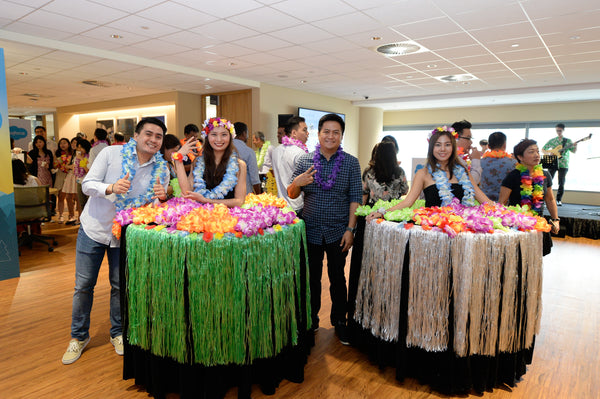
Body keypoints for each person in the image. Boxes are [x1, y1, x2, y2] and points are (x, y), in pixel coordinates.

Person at [62, 117, 169, 365]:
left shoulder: (161, 168)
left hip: (124, 233)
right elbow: (87, 184)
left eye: (159, 136)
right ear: (137, 135)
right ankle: (78, 337)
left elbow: (151, 205)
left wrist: (161, 199)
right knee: (83, 286)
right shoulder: (111, 153)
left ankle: (117, 332)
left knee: (120, 285)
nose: (153, 140)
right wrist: (110, 188)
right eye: (149, 134)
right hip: (94, 228)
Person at [288, 113, 362, 344]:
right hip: (309, 229)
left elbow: (355, 198)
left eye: (336, 132)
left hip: (338, 231)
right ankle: (310, 322)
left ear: (341, 135)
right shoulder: (304, 160)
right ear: (318, 134)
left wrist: (350, 230)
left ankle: (340, 321)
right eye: (326, 131)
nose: (330, 136)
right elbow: (292, 194)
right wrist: (296, 184)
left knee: (338, 278)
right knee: (310, 279)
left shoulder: (351, 162)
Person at [367, 126, 491, 221]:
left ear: (453, 148)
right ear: (431, 148)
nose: (442, 149)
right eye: (438, 145)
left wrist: (506, 214)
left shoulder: (464, 172)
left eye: (447, 145)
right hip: (433, 232)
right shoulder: (423, 174)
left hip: (462, 232)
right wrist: (382, 212)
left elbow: (485, 202)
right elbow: (407, 202)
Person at [499, 139, 560, 255]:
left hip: (538, 224)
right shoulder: (512, 176)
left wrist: (555, 219)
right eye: (531, 152)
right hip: (517, 226)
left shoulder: (545, 175)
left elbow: (550, 199)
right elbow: (502, 202)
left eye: (537, 151)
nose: (537, 155)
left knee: (537, 258)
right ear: (520, 157)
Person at [174, 117, 247, 207]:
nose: (219, 139)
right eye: (214, 135)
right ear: (207, 137)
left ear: (230, 137)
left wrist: (205, 200)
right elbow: (187, 193)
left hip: (228, 218)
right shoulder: (197, 162)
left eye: (224, 135)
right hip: (201, 217)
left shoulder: (240, 165)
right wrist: (178, 160)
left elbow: (239, 201)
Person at [271, 116, 309, 214]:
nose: (307, 133)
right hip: (297, 206)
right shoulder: (300, 153)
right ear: (294, 133)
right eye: (304, 130)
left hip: (281, 204)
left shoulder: (276, 150)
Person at [362, 141, 409, 206]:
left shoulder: (370, 172)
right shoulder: (399, 172)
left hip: (373, 210)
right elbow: (405, 191)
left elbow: (365, 191)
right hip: (393, 210)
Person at [542, 123, 577, 206]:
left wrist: (576, 146)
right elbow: (543, 149)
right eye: (557, 130)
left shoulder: (568, 141)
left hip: (563, 163)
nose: (558, 132)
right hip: (553, 162)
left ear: (563, 130)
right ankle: (544, 199)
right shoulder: (552, 140)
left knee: (561, 182)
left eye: (560, 131)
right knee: (547, 181)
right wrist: (549, 153)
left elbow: (574, 151)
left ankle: (558, 200)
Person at [479, 132, 517, 201]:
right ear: (504, 145)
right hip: (506, 205)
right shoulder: (514, 163)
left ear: (489, 146)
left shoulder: (479, 163)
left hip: (483, 204)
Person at [233, 122, 261, 194]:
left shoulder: (224, 149)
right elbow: (255, 180)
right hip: (245, 195)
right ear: (244, 133)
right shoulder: (249, 152)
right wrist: (259, 197)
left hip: (225, 196)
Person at [452, 120, 482, 184]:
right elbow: (471, 183)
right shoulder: (453, 159)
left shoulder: (460, 158)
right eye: (468, 138)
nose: (471, 142)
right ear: (456, 139)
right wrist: (476, 160)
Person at [54, 138, 76, 223]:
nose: (62, 145)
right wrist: (58, 162)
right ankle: (61, 215)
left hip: (70, 174)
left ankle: (72, 215)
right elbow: (54, 165)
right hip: (60, 174)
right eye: (60, 143)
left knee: (70, 196)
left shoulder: (73, 153)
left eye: (64, 143)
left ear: (68, 144)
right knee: (60, 196)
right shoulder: (57, 153)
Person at [74, 139, 91, 223]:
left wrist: (82, 159)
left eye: (81, 148)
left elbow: (88, 170)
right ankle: (84, 221)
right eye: (78, 147)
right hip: (79, 182)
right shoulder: (76, 158)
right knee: (81, 202)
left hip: (87, 182)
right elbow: (75, 170)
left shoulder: (89, 157)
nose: (79, 150)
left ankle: (90, 220)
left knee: (89, 202)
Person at [161, 134, 182, 198]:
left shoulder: (170, 164)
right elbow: (161, 190)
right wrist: (177, 186)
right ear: (165, 148)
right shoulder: (160, 165)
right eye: (174, 151)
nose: (175, 154)